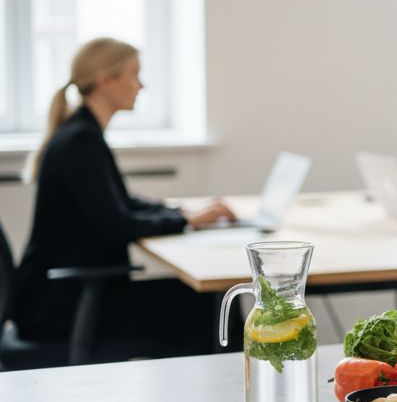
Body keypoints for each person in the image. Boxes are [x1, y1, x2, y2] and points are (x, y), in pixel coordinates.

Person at [13, 38, 237, 355]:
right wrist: (185, 220)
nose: (141, 85)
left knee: (212, 303)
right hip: (61, 305)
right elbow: (118, 224)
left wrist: (181, 212)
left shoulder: (82, 133)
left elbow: (122, 203)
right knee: (215, 308)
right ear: (105, 80)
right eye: (134, 74)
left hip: (63, 296)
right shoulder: (80, 142)